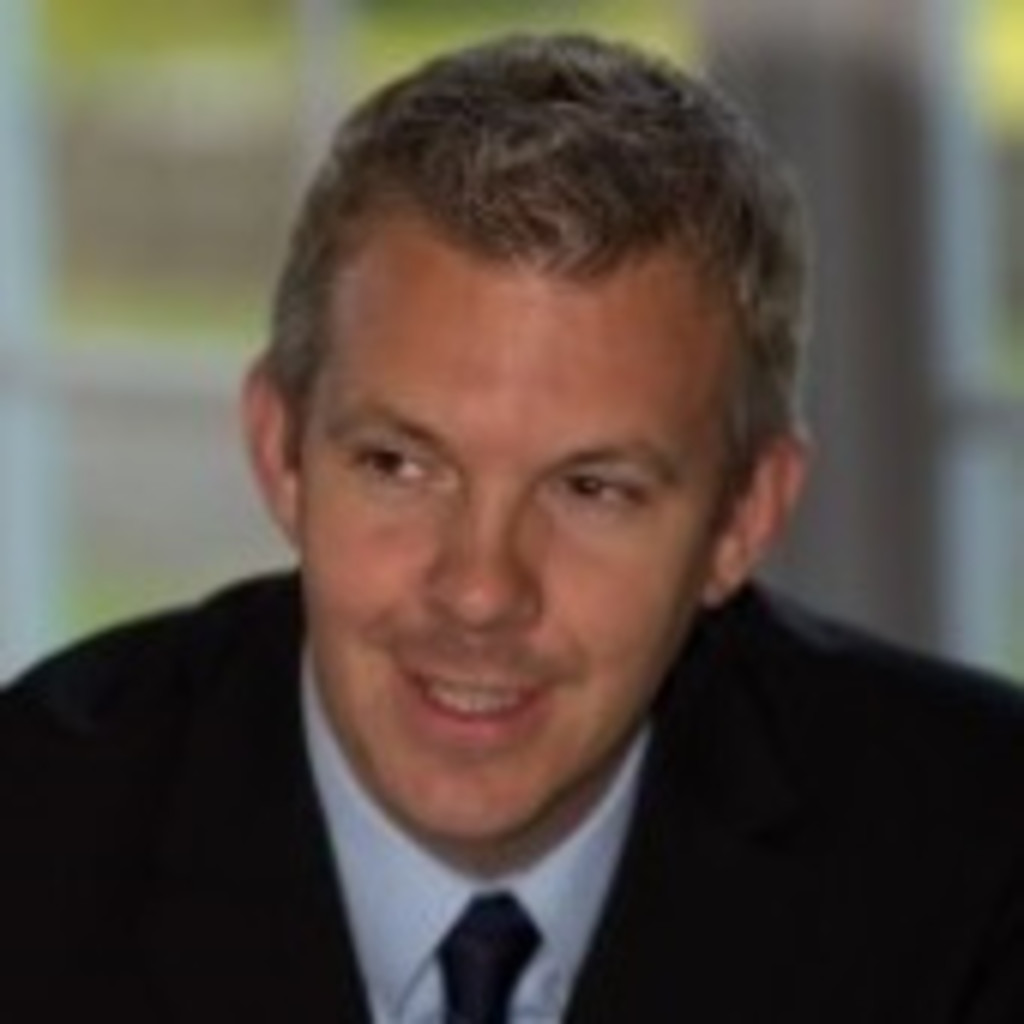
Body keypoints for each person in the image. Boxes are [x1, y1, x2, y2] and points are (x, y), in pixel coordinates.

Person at [1, 32, 1023, 1024]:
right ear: (281, 451)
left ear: (741, 518)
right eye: (399, 466)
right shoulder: (29, 839)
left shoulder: (982, 861)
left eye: (592, 488)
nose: (480, 591)